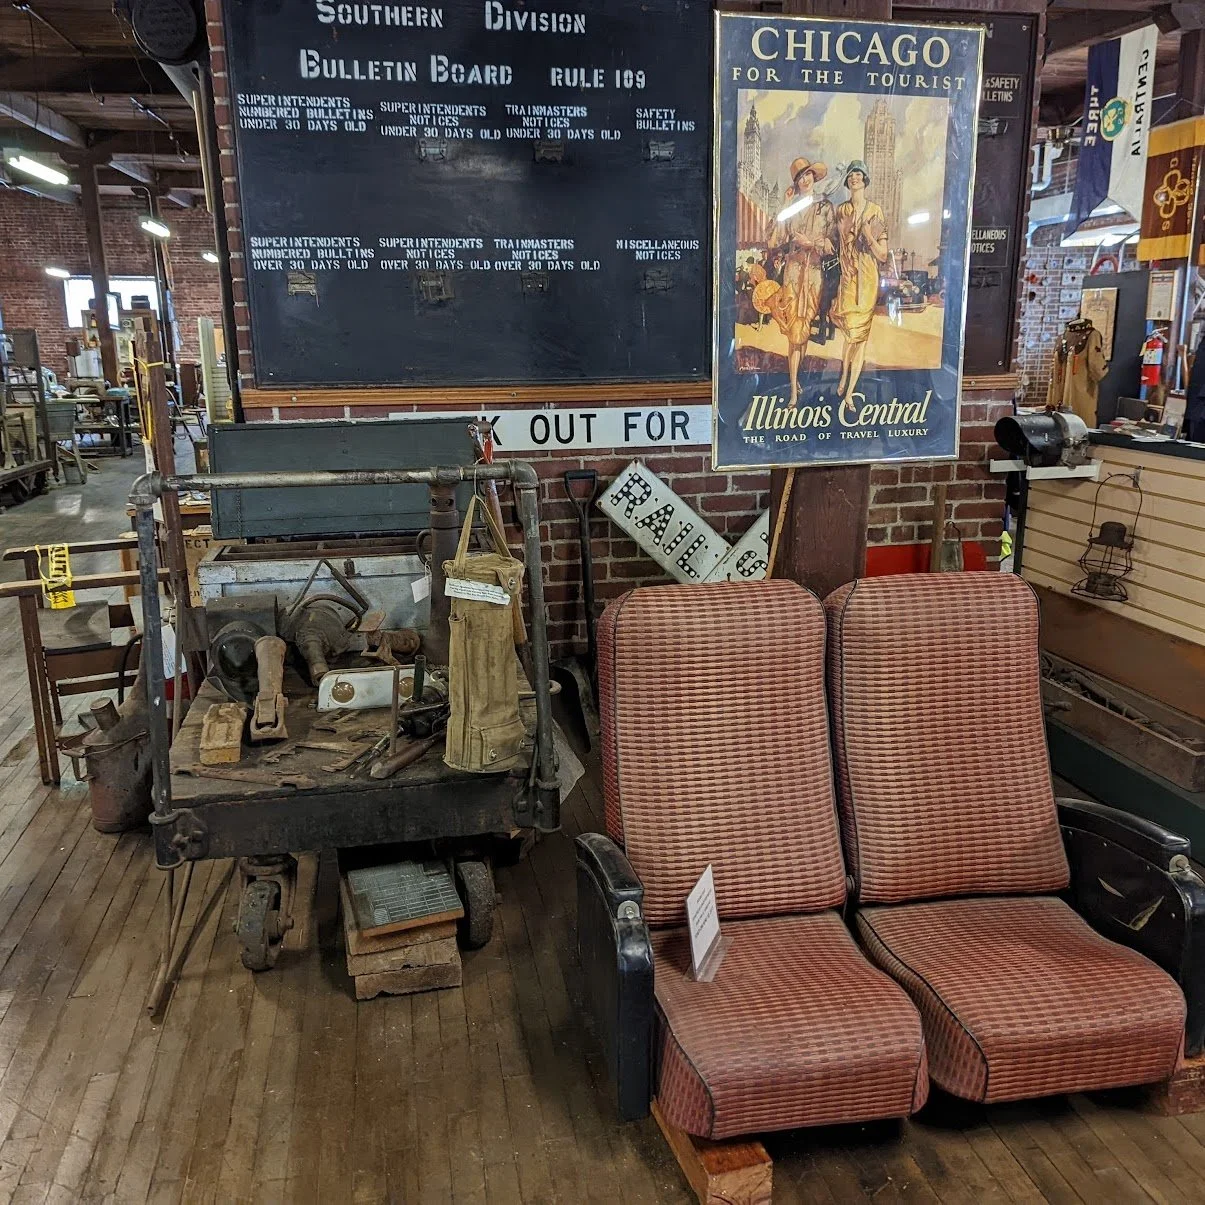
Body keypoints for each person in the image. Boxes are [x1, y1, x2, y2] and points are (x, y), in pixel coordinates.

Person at [766, 157, 835, 407]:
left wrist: (812, 243)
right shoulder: (792, 208)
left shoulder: (825, 207)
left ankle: (795, 381)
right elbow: (774, 240)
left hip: (815, 273)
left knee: (804, 330)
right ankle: (794, 392)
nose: (804, 180)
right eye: (799, 177)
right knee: (795, 332)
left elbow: (831, 245)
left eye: (807, 175)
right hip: (794, 273)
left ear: (813, 177)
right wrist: (785, 204)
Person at [833, 159, 889, 411]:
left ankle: (850, 391)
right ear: (847, 181)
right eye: (851, 174)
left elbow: (883, 255)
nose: (855, 178)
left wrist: (866, 234)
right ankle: (843, 375)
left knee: (861, 338)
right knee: (849, 334)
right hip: (848, 277)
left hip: (867, 279)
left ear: (865, 179)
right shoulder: (842, 211)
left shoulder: (875, 211)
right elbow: (837, 246)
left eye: (859, 174)